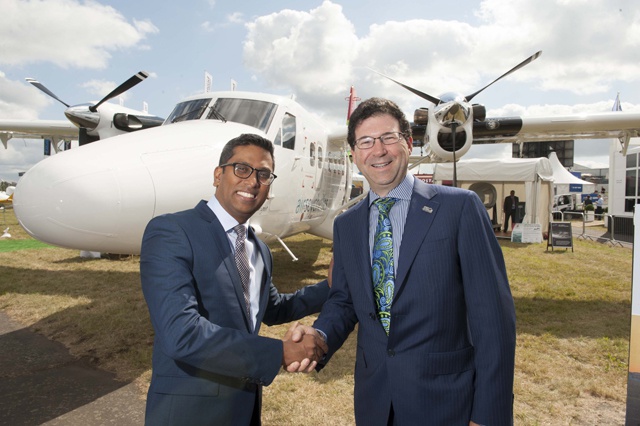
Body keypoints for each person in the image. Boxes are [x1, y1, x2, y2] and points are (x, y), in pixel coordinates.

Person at [289, 98, 516, 425]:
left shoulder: (459, 209)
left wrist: (488, 415)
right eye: (365, 142)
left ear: (409, 144)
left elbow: (494, 320)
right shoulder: (346, 225)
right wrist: (320, 336)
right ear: (355, 154)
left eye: (388, 138)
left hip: (448, 404)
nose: (377, 150)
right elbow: (344, 299)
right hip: (376, 402)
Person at [140, 133, 330, 426]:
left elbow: (273, 308)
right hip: (189, 413)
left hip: (243, 408)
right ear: (218, 175)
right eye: (242, 169)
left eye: (264, 174)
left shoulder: (259, 248)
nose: (253, 181)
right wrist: (280, 352)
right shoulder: (173, 231)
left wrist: (330, 286)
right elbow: (181, 333)